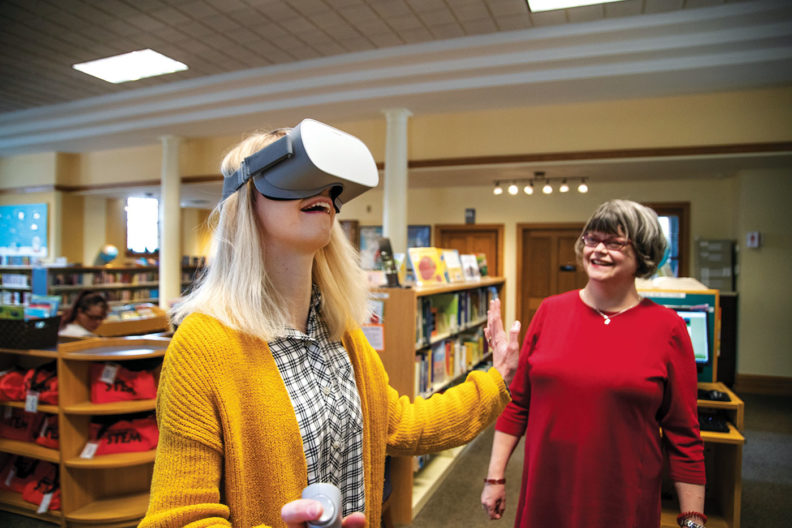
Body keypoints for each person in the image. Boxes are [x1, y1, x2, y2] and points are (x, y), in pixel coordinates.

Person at [139, 121, 518, 528]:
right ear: (247, 202)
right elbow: (179, 517)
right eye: (300, 179)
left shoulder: (340, 332)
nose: (323, 194)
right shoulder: (203, 344)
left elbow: (401, 424)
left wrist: (496, 378)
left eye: (330, 188)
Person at [481, 199, 706, 528]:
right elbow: (518, 405)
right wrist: (495, 478)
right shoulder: (549, 311)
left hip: (623, 500)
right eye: (591, 238)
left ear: (642, 253)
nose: (598, 250)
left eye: (614, 242)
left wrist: (693, 519)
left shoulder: (668, 328)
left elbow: (683, 434)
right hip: (546, 492)